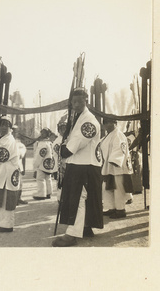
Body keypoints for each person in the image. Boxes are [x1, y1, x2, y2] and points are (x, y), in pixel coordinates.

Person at [52, 88, 103, 247]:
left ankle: (72, 234)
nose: (76, 105)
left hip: (84, 165)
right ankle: (86, 227)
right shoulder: (78, 118)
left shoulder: (89, 121)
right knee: (84, 197)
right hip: (81, 163)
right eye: (74, 102)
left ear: (86, 101)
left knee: (78, 198)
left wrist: (64, 150)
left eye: (80, 101)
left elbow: (73, 146)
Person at [100, 118, 134, 219]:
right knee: (108, 187)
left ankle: (120, 210)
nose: (107, 125)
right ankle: (112, 207)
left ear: (115, 123)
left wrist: (115, 160)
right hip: (109, 166)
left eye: (109, 122)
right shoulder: (109, 135)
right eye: (105, 123)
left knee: (119, 188)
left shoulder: (118, 135)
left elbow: (120, 149)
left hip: (117, 166)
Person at [32, 127, 54, 200]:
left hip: (42, 164)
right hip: (49, 164)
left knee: (40, 179)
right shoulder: (50, 142)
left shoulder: (42, 143)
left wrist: (35, 165)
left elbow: (40, 155)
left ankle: (41, 194)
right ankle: (49, 192)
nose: (41, 134)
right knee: (48, 178)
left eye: (43, 133)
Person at [12, 124, 28, 205]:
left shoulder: (20, 144)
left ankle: (18, 198)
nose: (13, 133)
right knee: (12, 184)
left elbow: (22, 156)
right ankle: (13, 200)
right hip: (10, 167)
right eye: (12, 131)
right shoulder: (6, 141)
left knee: (20, 183)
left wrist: (23, 169)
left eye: (15, 131)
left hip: (18, 167)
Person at [52, 121, 67, 202]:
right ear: (59, 130)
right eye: (61, 129)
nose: (63, 130)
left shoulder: (65, 139)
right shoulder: (58, 141)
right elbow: (61, 153)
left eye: (65, 128)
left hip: (63, 165)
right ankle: (60, 200)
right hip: (59, 166)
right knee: (60, 184)